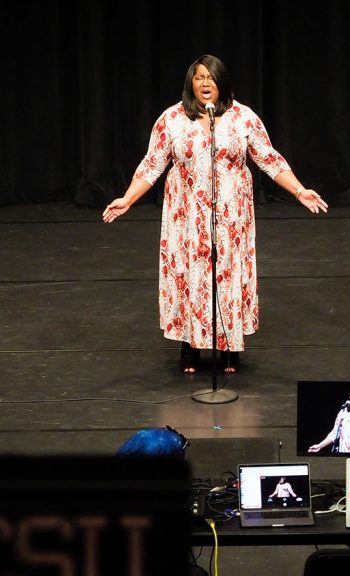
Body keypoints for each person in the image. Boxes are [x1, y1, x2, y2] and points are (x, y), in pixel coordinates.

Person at [103, 55, 328, 374]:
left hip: (231, 214)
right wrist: (127, 199)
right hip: (187, 213)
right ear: (190, 84)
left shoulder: (244, 118)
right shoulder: (172, 119)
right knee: (191, 274)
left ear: (222, 83)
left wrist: (299, 190)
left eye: (211, 77)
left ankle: (229, 348)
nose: (205, 83)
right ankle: (190, 346)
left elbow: (269, 159)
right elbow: (152, 164)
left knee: (225, 273)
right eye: (199, 78)